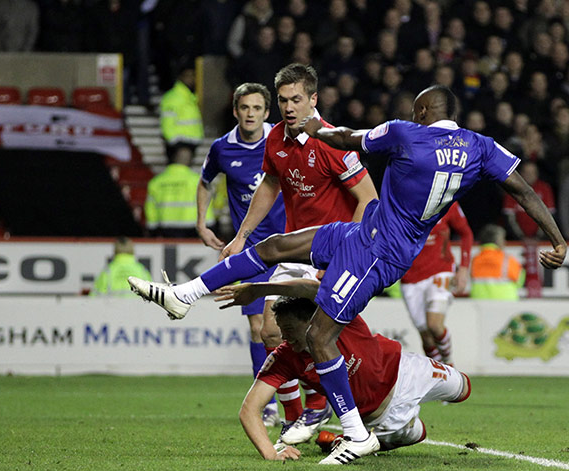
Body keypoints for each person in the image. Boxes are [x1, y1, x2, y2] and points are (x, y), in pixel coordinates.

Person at [128, 85, 566, 464]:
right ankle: (183, 296)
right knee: (274, 246)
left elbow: (349, 139)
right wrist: (558, 239)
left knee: (320, 337)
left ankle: (356, 433)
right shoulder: (481, 147)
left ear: (422, 113)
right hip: (367, 232)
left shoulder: (404, 133)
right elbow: (523, 189)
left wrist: (316, 128)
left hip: (379, 250)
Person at [218, 64, 378, 443]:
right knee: (272, 329)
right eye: (284, 100)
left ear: (313, 100)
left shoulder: (332, 140)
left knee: (327, 337)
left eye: (297, 100)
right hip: (295, 247)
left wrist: (346, 255)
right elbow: (270, 185)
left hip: (336, 252)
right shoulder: (275, 138)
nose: (289, 107)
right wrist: (242, 235)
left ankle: (329, 399)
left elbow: (368, 198)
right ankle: (299, 413)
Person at [224, 287, 470, 461]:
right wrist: (271, 454)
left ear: (310, 321)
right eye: (281, 331)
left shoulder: (337, 319)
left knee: (463, 389)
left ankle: (338, 440)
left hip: (408, 372)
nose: (284, 337)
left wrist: (262, 288)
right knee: (418, 433)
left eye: (289, 329)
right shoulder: (285, 357)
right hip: (380, 417)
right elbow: (249, 409)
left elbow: (315, 288)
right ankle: (343, 439)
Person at [196, 82, 286, 427]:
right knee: (258, 326)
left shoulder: (280, 140)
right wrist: (202, 224)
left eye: (257, 108)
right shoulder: (222, 148)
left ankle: (312, 399)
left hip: (291, 244)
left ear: (266, 113)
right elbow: (205, 182)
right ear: (236, 111)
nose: (250, 114)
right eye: (244, 108)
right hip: (251, 251)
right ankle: (268, 403)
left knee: (295, 327)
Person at [400, 201, 473, 365]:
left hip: (441, 270)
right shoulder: (401, 202)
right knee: (426, 336)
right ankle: (441, 375)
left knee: (434, 324)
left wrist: (463, 268)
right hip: (410, 278)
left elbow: (465, 233)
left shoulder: (447, 201)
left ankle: (449, 364)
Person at [145, 144, 213, 238]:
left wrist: (152, 229)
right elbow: (206, 206)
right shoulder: (198, 181)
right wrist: (209, 226)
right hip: (192, 230)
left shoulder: (156, 182)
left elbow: (151, 209)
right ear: (190, 160)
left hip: (165, 229)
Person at [159, 60, 203, 160]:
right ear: (180, 77)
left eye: (193, 75)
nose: (191, 79)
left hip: (191, 142)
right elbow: (167, 122)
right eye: (188, 75)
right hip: (179, 143)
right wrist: (173, 142)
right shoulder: (173, 97)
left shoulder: (191, 96)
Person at [503, 160, 556, 240]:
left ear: (537, 174)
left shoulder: (545, 188)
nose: (529, 175)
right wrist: (521, 237)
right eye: (526, 172)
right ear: (521, 173)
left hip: (541, 240)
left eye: (532, 173)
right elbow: (509, 218)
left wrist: (538, 237)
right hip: (517, 240)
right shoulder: (512, 188)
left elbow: (550, 215)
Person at [469, 224, 524, 300]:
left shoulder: (474, 260)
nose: (505, 242)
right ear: (498, 241)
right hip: (505, 303)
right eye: (503, 239)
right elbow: (519, 281)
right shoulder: (508, 260)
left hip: (479, 303)